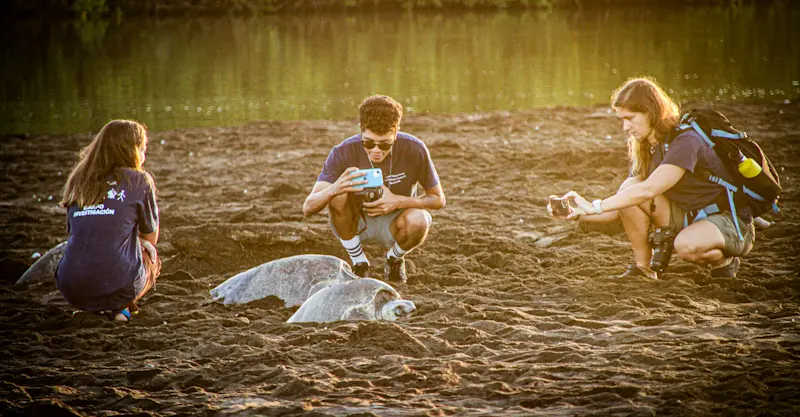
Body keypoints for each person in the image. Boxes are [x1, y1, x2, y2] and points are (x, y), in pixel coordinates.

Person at [547, 77, 754, 279]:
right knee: (630, 187)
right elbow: (623, 206)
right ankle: (643, 269)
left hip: (730, 220)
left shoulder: (686, 140)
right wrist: (578, 212)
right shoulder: (647, 145)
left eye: (630, 118)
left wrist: (596, 206)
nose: (625, 128)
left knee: (686, 245)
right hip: (687, 215)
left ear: (651, 112)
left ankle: (724, 262)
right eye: (622, 120)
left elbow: (649, 190)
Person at [303, 95, 445, 283]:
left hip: (396, 222)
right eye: (368, 143)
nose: (376, 150)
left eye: (385, 144)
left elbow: (438, 199)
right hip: (357, 223)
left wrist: (397, 201)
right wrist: (335, 188)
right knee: (337, 195)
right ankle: (359, 262)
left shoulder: (414, 149)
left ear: (396, 131)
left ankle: (394, 259)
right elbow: (308, 208)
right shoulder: (343, 151)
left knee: (420, 220)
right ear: (361, 130)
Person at [56, 119, 161, 321]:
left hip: (71, 288)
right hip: (119, 282)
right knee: (150, 255)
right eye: (142, 149)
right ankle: (122, 307)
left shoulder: (78, 179)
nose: (143, 155)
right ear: (131, 150)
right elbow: (150, 236)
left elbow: (74, 229)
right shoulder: (139, 180)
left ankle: (91, 305)